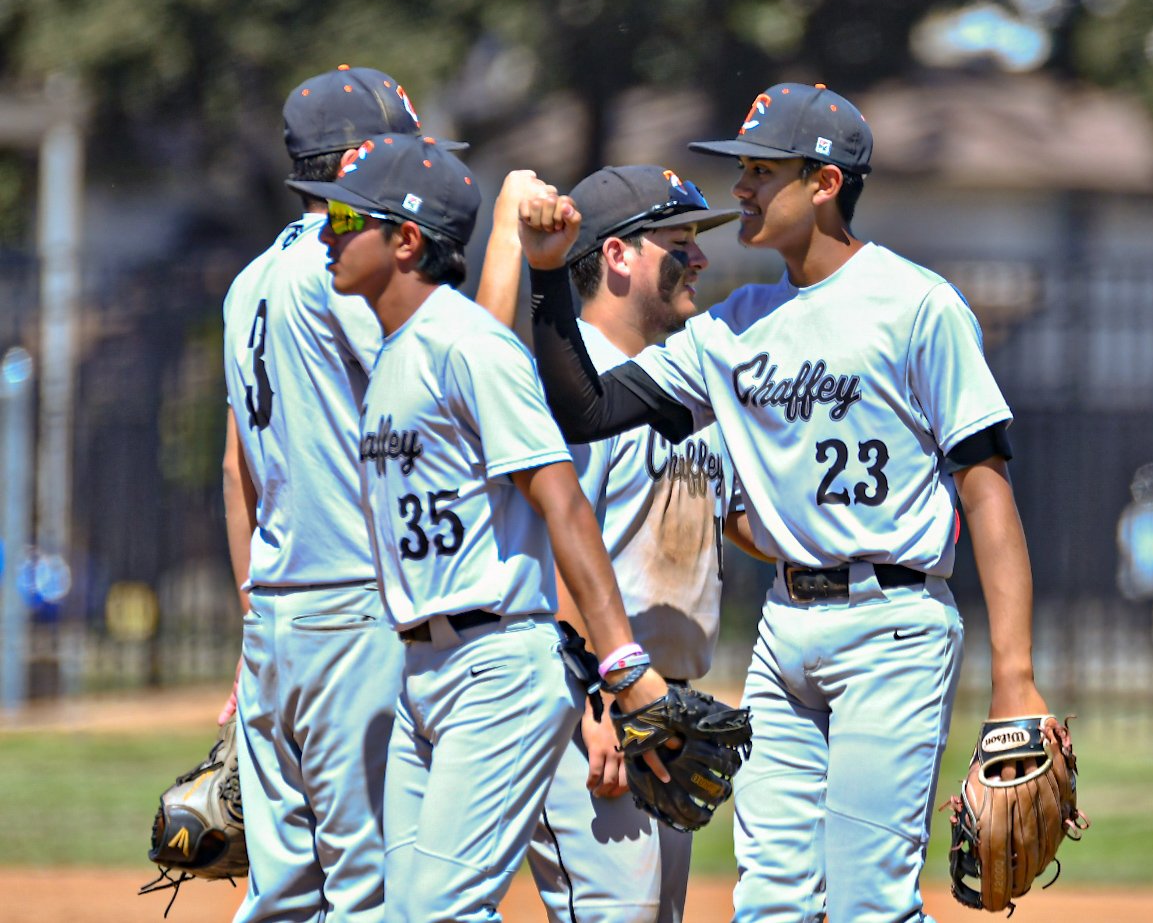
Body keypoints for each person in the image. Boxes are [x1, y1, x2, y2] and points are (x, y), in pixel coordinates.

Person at [521, 82, 1057, 923]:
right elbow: (582, 410)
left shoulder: (917, 305)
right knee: (769, 901)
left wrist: (1015, 678)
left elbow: (987, 494)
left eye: (762, 171)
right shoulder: (735, 325)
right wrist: (548, 276)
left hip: (894, 626)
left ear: (826, 183)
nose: (740, 190)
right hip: (784, 627)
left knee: (868, 901)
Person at [289, 132, 676, 923]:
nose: (324, 231)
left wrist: (624, 665)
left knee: (438, 911)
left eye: (342, 217)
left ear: (404, 240)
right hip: (423, 675)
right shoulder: (400, 352)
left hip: (497, 666)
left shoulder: (469, 348)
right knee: (405, 913)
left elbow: (564, 503)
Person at [476, 164, 761, 923]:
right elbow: (550, 544)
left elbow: (732, 518)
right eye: (679, 241)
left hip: (662, 707)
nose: (699, 257)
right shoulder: (575, 386)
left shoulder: (677, 380)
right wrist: (594, 701)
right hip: (597, 698)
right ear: (617, 256)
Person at [221, 65, 458, 923]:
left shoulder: (249, 281)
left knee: (283, 892)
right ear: (361, 158)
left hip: (280, 617)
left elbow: (234, 468)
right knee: (372, 885)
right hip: (356, 607)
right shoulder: (343, 275)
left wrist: (253, 627)